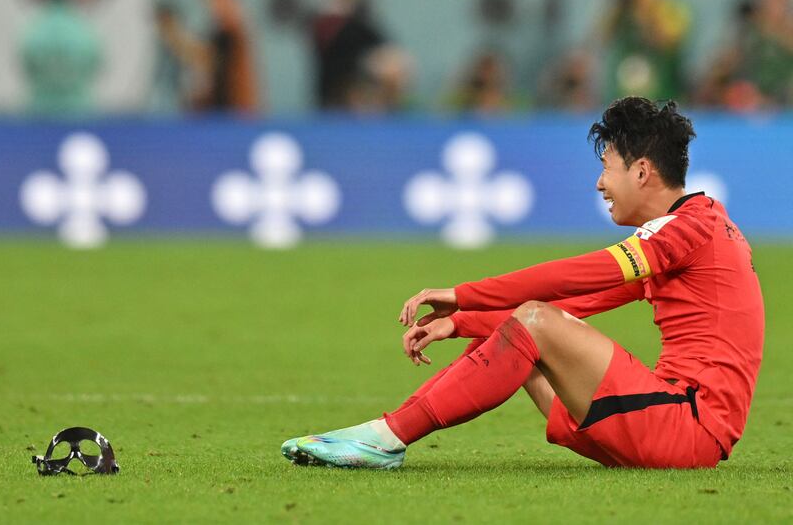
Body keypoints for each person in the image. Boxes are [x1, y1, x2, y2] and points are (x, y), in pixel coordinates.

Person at [281, 97, 764, 469]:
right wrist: (463, 321)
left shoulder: (689, 229)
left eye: (605, 168)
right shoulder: (701, 226)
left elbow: (577, 277)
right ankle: (386, 430)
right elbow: (585, 298)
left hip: (688, 427)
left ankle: (385, 438)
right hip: (664, 423)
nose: (599, 184)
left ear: (641, 171)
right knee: (526, 326)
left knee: (534, 319)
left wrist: (464, 293)